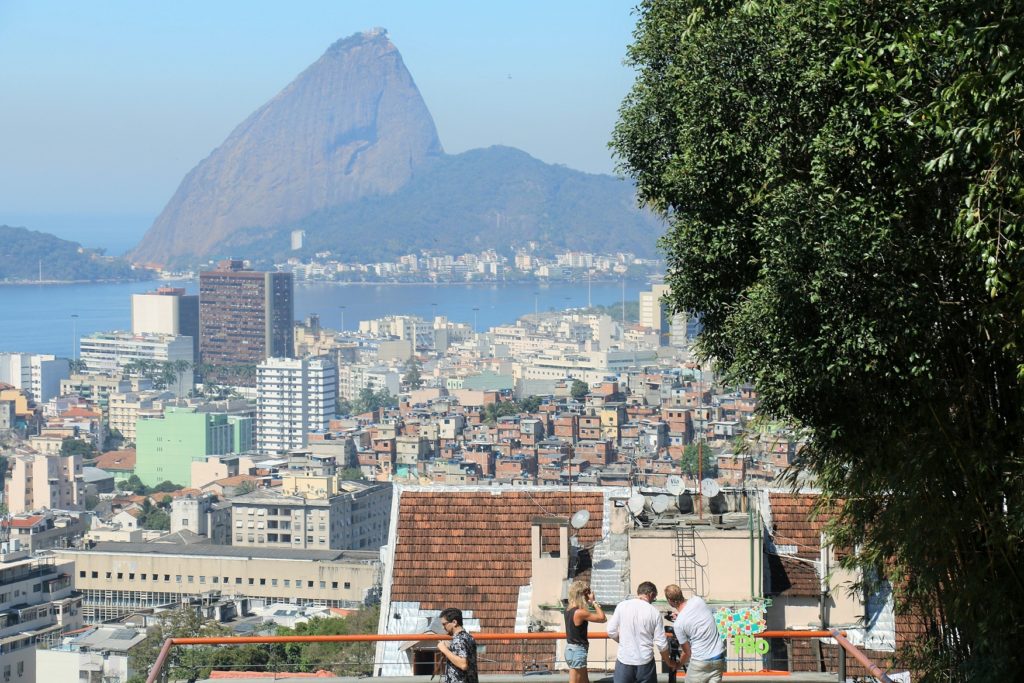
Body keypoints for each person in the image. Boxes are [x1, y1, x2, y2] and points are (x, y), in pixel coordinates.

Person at [607, 581, 676, 683]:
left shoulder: (622, 606)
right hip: (645, 662)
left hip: (624, 660)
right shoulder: (654, 612)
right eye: (654, 598)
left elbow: (610, 631)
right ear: (651, 594)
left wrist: (623, 642)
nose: (653, 600)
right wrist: (668, 661)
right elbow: (661, 644)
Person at [664, 584, 726, 683]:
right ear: (681, 593)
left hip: (700, 661)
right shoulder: (698, 600)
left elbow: (687, 652)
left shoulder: (679, 624)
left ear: (670, 601)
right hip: (719, 656)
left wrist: (678, 665)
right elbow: (698, 615)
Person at [564, 580, 607, 683]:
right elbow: (603, 618)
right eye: (587, 592)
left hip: (571, 649)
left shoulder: (568, 609)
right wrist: (594, 602)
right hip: (577, 651)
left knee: (584, 681)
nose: (589, 594)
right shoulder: (580, 612)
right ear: (582, 594)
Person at [437, 607, 479, 683]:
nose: (443, 628)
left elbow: (463, 664)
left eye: (444, 624)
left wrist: (444, 649)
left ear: (454, 622)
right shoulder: (468, 637)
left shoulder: (459, 639)